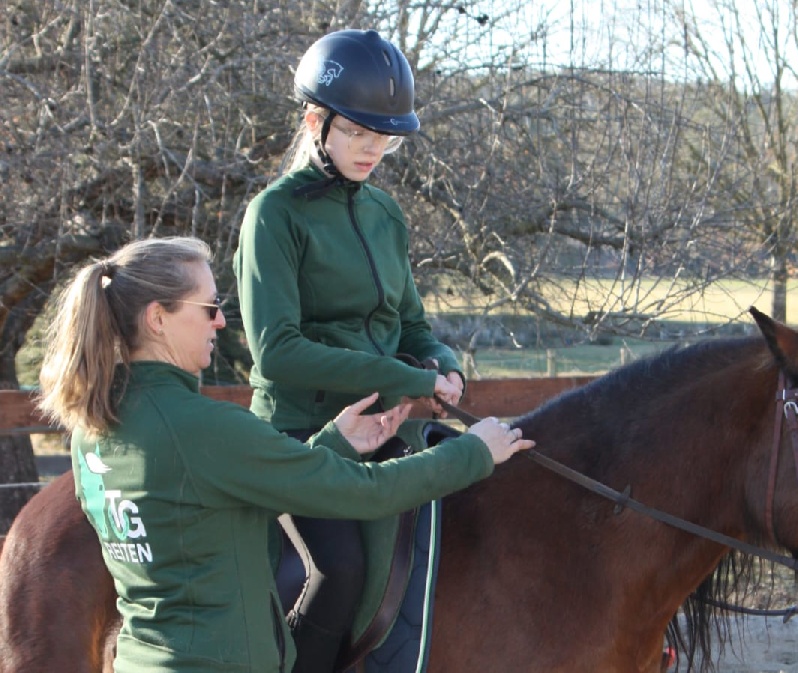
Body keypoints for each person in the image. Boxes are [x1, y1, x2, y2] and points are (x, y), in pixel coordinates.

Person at [36, 236, 533, 673]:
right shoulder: (205, 428)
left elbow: (201, 506)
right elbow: (365, 492)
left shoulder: (92, 429)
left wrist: (333, 444)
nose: (222, 320)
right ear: (158, 319)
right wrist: (473, 453)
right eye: (209, 308)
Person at [232, 29, 472, 672]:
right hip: (300, 437)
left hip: (385, 426)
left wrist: (443, 365)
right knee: (336, 572)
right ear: (316, 121)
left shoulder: (386, 215)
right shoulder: (272, 216)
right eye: (359, 132)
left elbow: (412, 324)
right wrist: (399, 374)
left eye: (385, 137)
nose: (374, 149)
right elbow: (278, 351)